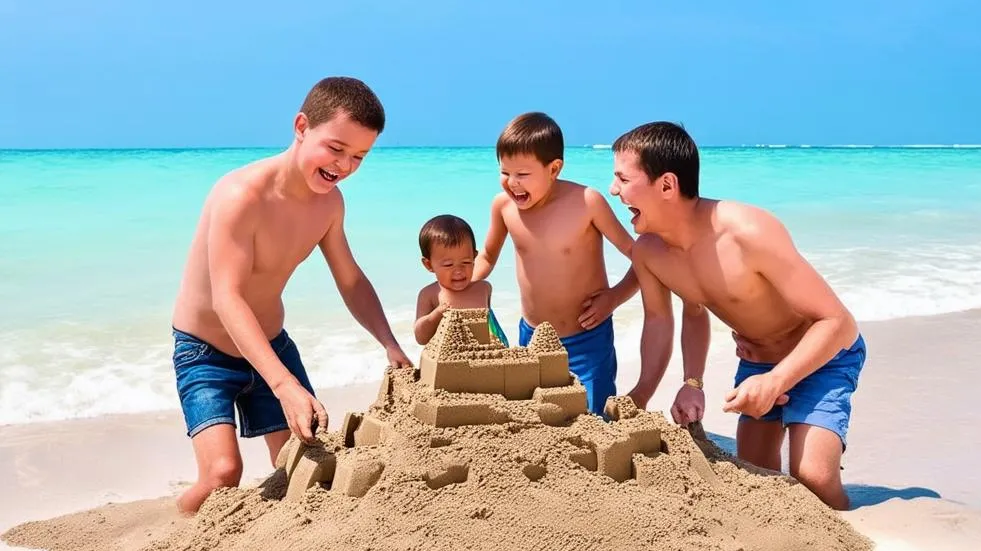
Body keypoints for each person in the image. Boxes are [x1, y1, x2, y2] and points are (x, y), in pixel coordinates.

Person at [171, 76, 412, 514]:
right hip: (205, 352)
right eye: (336, 148)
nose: (344, 165)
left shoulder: (329, 205)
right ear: (302, 126)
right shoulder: (241, 195)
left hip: (273, 346)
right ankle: (176, 535)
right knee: (223, 474)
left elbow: (351, 279)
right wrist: (283, 384)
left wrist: (390, 343)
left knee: (302, 466)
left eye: (359, 156)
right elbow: (228, 298)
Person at [610, 121, 864, 510]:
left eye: (623, 179)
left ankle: (860, 541)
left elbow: (837, 322)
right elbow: (678, 316)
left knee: (814, 481)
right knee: (754, 478)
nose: (614, 190)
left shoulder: (747, 231)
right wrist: (685, 383)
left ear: (666, 185)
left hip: (822, 356)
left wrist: (778, 379)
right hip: (756, 363)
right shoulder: (650, 253)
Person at [473, 112, 637, 414]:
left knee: (595, 416)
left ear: (554, 168)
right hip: (531, 337)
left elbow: (640, 256)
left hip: (588, 338)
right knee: (535, 418)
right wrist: (455, 282)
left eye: (522, 174)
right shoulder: (503, 207)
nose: (512, 183)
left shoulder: (587, 202)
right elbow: (486, 258)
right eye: (504, 172)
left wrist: (614, 297)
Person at [413, 214, 508, 346]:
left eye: (466, 262)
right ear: (429, 265)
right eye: (448, 265)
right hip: (450, 361)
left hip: (484, 358)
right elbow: (420, 338)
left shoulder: (484, 288)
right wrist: (436, 315)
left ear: (474, 257)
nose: (458, 270)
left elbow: (493, 330)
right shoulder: (430, 294)